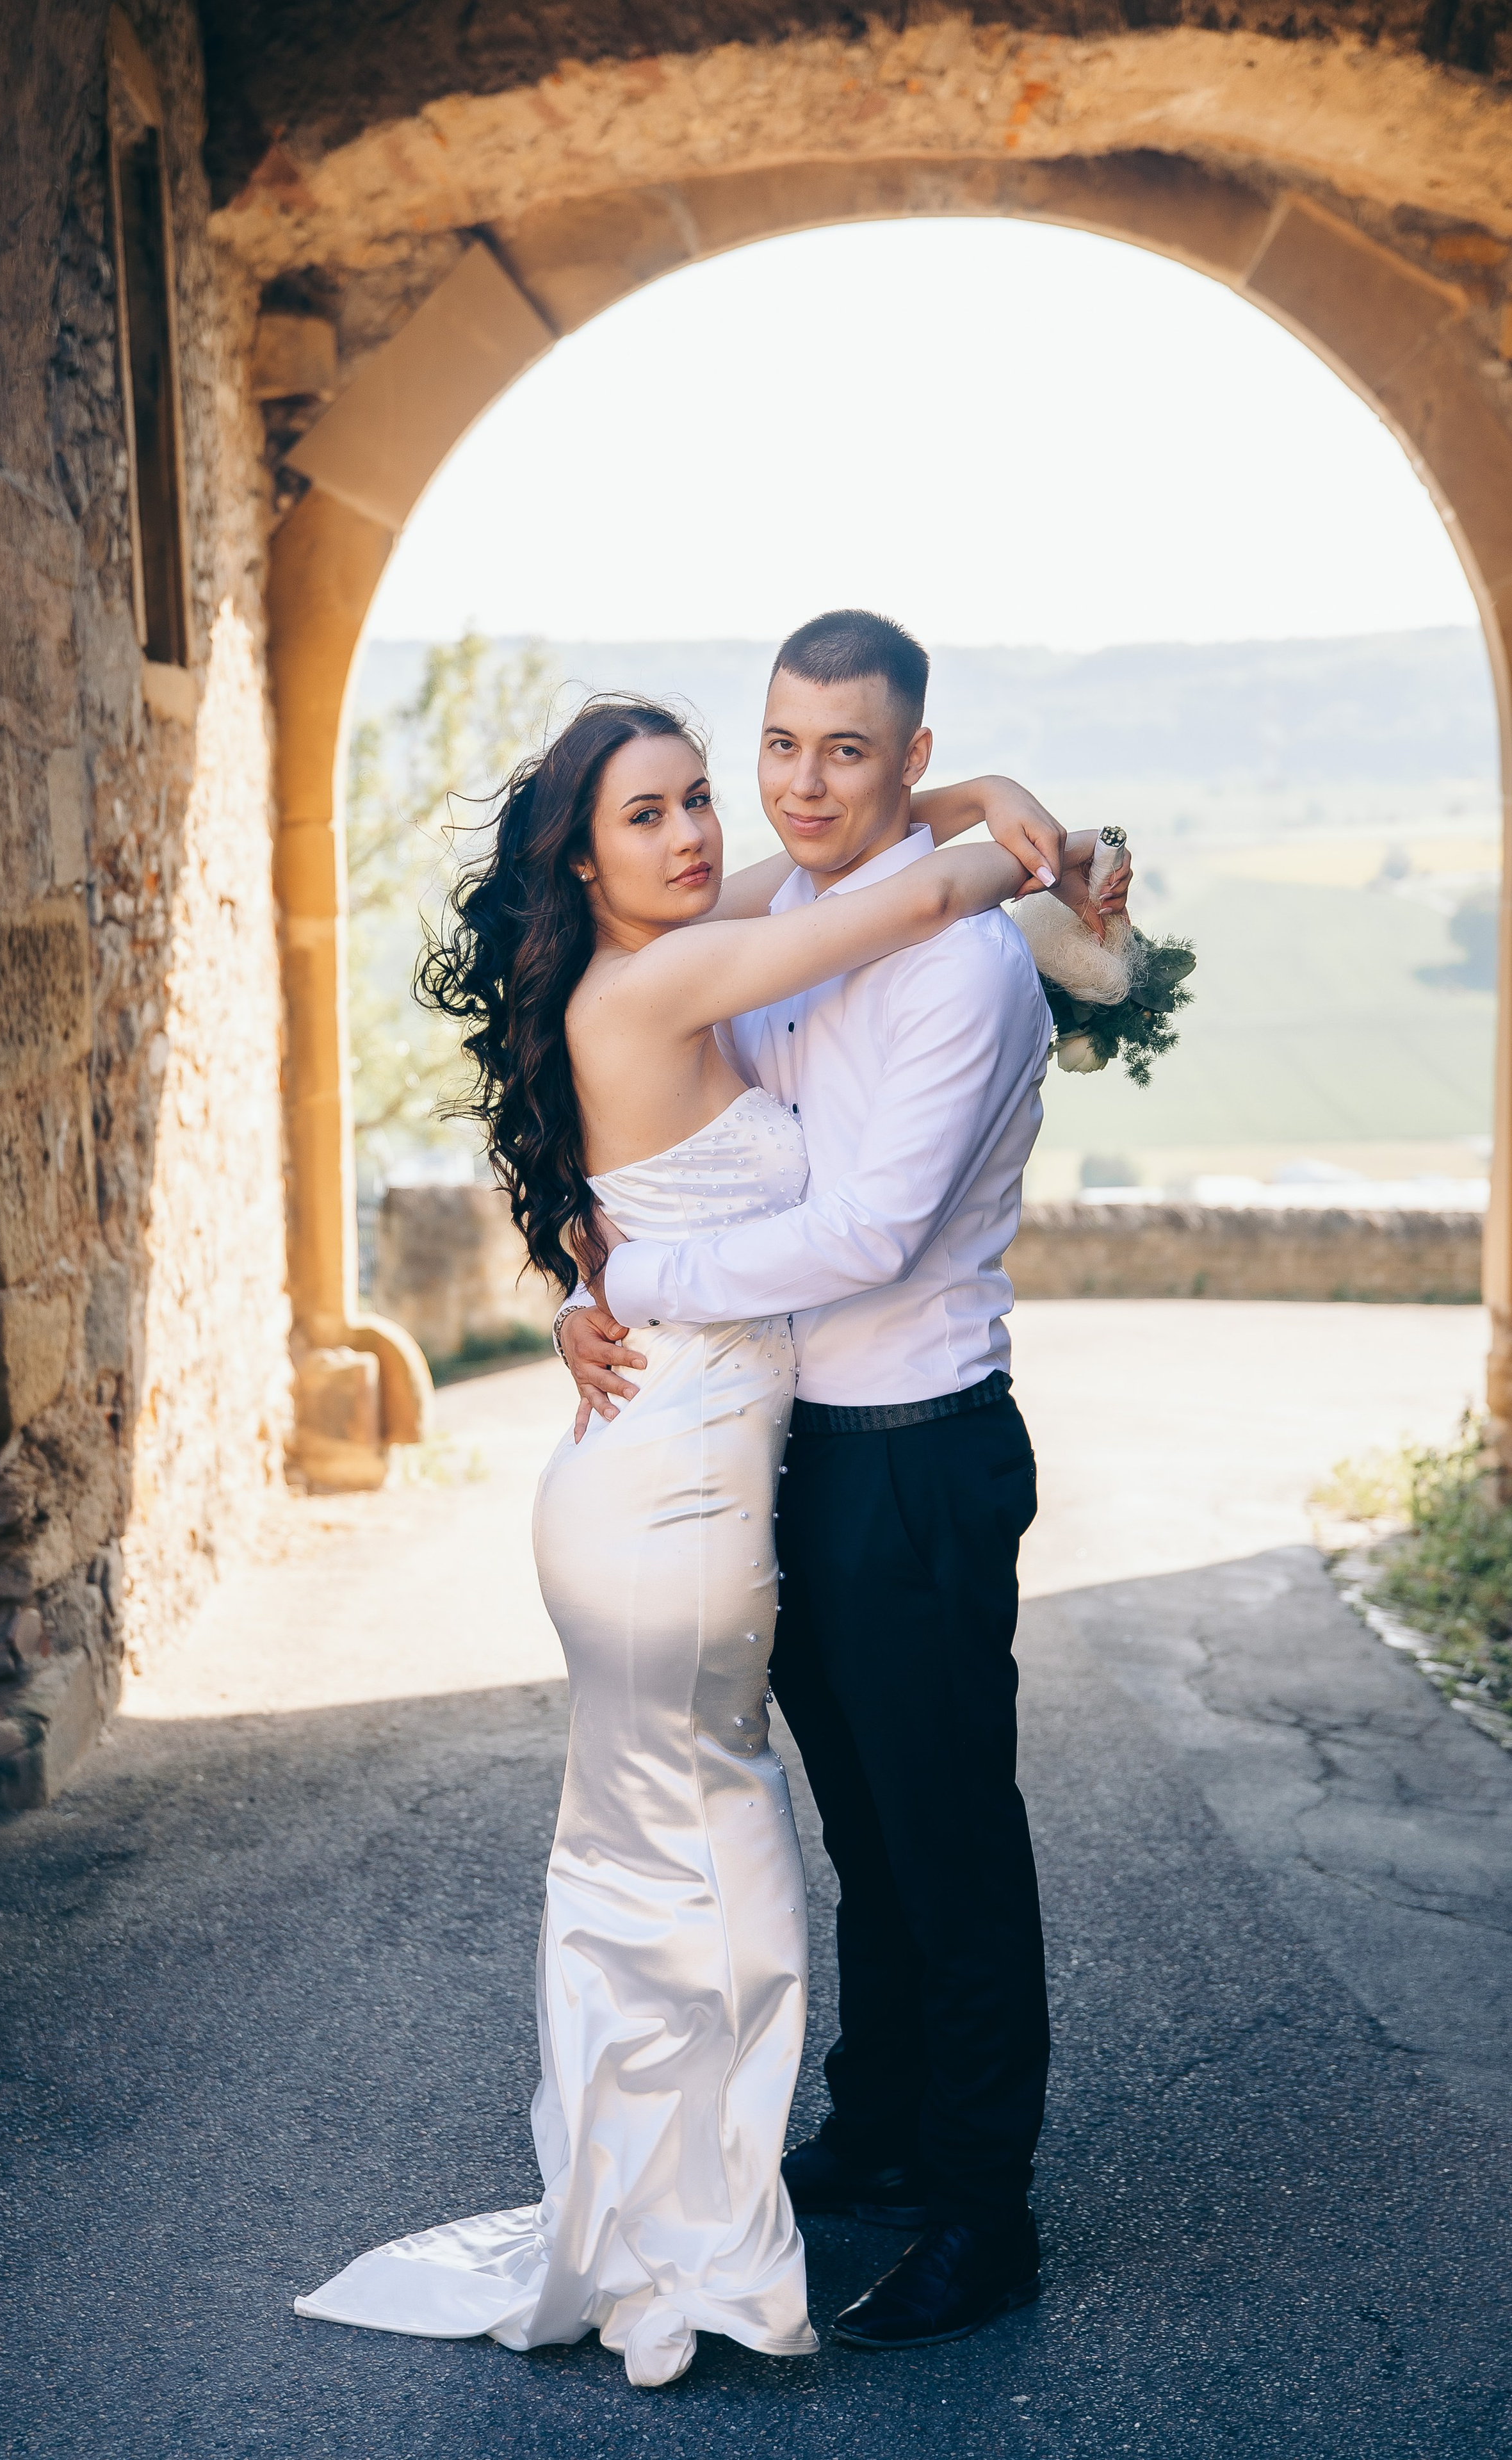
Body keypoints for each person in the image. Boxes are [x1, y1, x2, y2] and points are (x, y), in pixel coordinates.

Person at [293, 683, 1106, 2386]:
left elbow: (839, 866)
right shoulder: (663, 972)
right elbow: (904, 888)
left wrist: (969, 798)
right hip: (668, 1498)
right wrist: (1001, 814)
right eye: (649, 813)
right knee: (715, 1867)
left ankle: (758, 2195)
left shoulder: (674, 934)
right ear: (583, 867)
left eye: (692, 801)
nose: (700, 832)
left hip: (709, 1473)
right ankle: (699, 2227)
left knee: (708, 1858)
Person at [564, 610, 1118, 2356]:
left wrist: (631, 1288)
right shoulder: (795, 904)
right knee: (865, 1825)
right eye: (783, 744)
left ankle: (983, 2207)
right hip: (798, 1448)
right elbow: (688, 1138)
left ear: (908, 748)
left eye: (850, 750)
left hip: (918, 1451)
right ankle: (880, 2122)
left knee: (951, 1838)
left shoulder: (967, 967)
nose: (805, 783)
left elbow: (866, 1232)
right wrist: (592, 1267)